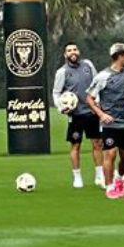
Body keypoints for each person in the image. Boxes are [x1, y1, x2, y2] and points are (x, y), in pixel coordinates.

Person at [85, 43, 124, 200]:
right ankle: (109, 187)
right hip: (109, 123)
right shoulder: (102, 76)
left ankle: (119, 179)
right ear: (120, 56)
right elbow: (89, 98)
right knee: (110, 153)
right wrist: (101, 115)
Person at [52, 43, 101, 188]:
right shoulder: (62, 72)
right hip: (76, 115)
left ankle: (99, 176)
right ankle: (77, 177)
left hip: (91, 112)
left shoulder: (88, 65)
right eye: (69, 50)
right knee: (76, 146)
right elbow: (56, 92)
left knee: (98, 144)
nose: (72, 52)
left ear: (78, 52)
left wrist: (97, 100)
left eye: (74, 49)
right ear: (65, 55)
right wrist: (61, 107)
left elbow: (97, 84)